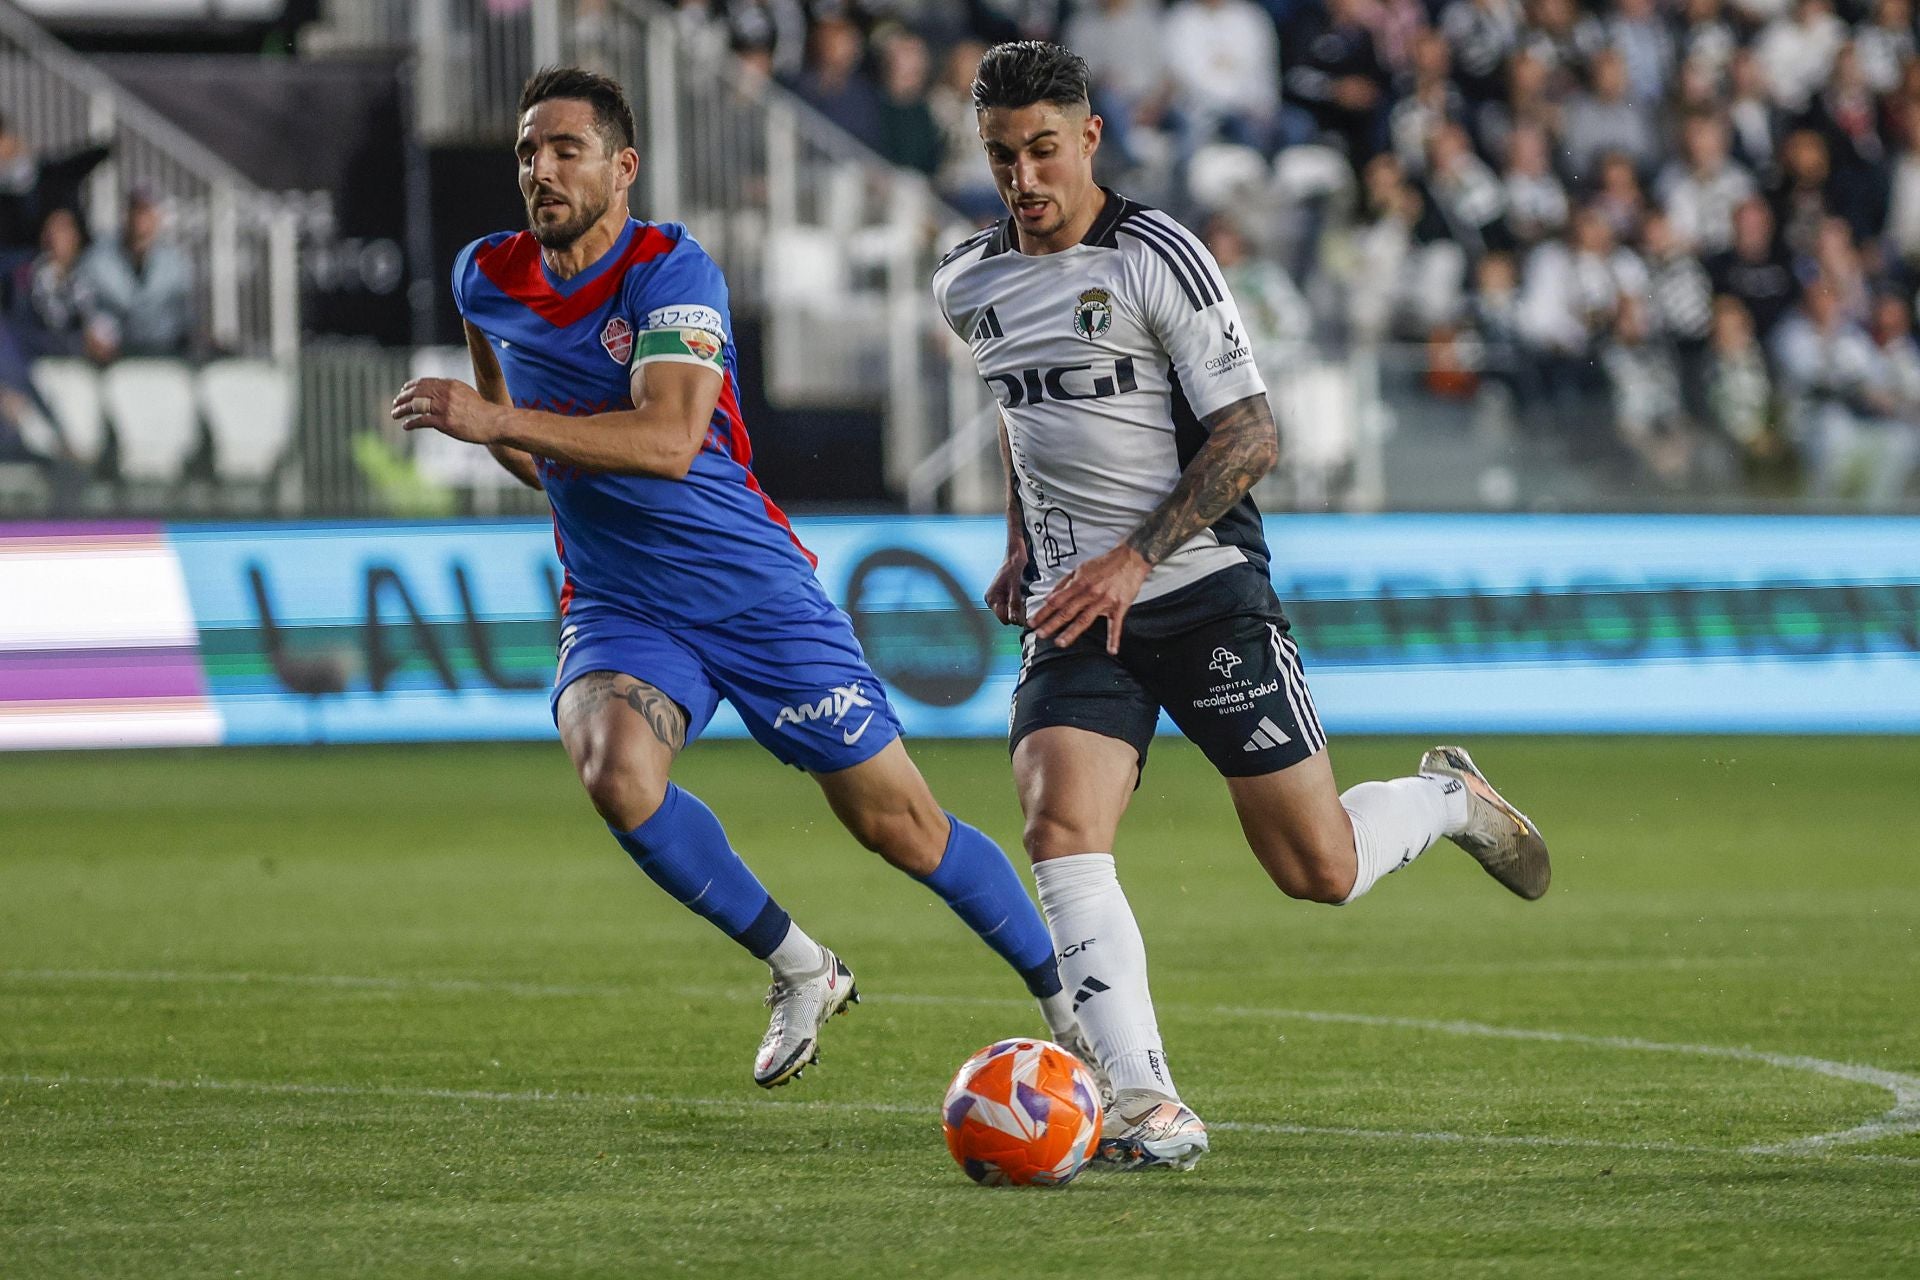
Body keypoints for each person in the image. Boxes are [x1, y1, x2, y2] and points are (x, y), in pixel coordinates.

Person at [391, 67, 1084, 1092]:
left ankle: (1072, 1003)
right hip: (621, 600)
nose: (542, 170)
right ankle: (802, 965)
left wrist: (495, 420)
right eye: (529, 152)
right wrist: (513, 439)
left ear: (623, 167)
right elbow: (512, 431)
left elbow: (670, 440)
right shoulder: (483, 275)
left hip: (750, 590)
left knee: (900, 826)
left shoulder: (671, 271)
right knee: (615, 771)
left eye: (567, 150)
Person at [932, 41, 1550, 1173]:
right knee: (1059, 826)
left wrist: (1134, 559)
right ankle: (1145, 1100)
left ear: (1090, 139)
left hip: (1203, 587)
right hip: (1077, 603)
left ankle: (1447, 799)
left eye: (1044, 150)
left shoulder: (1158, 256)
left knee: (1318, 869)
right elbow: (1028, 426)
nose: (1024, 178)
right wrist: (1023, 544)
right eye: (1002, 155)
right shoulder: (966, 280)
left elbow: (1254, 435)